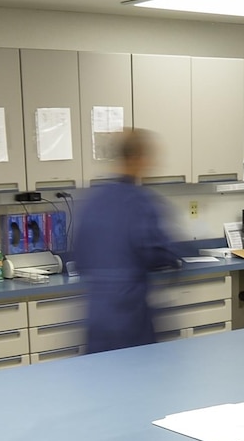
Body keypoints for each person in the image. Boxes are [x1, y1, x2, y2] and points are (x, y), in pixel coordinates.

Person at [72, 129, 181, 353]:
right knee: (139, 381)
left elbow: (80, 259)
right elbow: (157, 253)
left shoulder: (93, 201)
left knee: (101, 382)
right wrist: (175, 259)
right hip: (130, 317)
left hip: (98, 317)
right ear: (138, 158)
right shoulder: (140, 202)